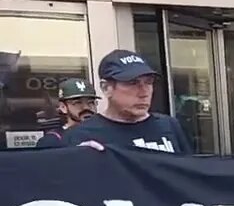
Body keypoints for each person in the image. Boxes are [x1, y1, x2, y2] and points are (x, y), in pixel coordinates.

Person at [63, 50, 191, 154]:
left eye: (149, 82)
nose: (144, 92)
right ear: (106, 88)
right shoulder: (81, 136)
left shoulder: (168, 125)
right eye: (132, 83)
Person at [35, 78, 98, 148]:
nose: (86, 107)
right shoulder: (53, 140)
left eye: (91, 102)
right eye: (78, 103)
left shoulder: (104, 133)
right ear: (63, 107)